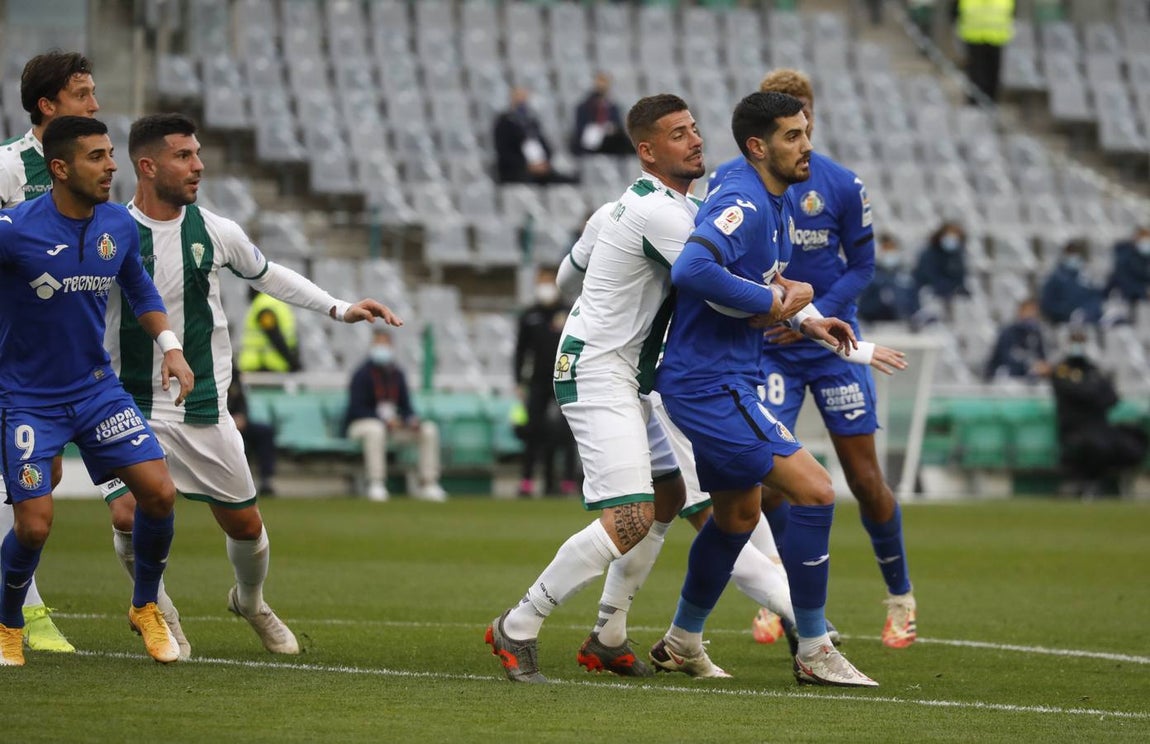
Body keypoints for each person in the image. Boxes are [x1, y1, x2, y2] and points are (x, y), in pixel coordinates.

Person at [100, 112, 402, 657]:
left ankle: (250, 600)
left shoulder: (216, 230)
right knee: (130, 510)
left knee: (245, 524)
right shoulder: (109, 232)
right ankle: (156, 608)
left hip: (204, 408)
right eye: (184, 156)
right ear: (147, 166)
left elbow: (270, 275)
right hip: (130, 404)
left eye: (198, 154)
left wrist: (339, 307)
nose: (199, 166)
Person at [652, 91, 878, 687]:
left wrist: (803, 315)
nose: (807, 146)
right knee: (816, 492)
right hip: (710, 383)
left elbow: (765, 280)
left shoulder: (771, 200)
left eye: (806, 133)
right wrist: (774, 302)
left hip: (726, 376)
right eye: (792, 136)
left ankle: (681, 639)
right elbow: (692, 271)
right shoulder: (746, 200)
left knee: (735, 515)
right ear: (759, 146)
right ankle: (813, 646)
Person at [485, 94, 705, 683]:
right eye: (679, 133)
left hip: (620, 367)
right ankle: (519, 623)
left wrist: (591, 304)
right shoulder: (663, 214)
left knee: (669, 496)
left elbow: (565, 277)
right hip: (600, 369)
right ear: (647, 151)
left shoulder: (627, 210)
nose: (695, 139)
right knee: (631, 516)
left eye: (694, 128)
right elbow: (715, 289)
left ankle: (608, 634)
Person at [706, 69, 916, 651]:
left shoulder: (842, 184)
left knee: (865, 479)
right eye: (786, 118)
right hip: (770, 348)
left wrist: (816, 313)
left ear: (812, 115)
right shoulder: (733, 182)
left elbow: (863, 265)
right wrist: (778, 314)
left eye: (803, 114)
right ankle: (779, 597)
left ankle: (901, 598)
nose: (799, 130)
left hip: (830, 344)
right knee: (767, 478)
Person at [0, 115, 194, 666]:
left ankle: (144, 608)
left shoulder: (117, 225)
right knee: (34, 526)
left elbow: (139, 288)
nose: (112, 166)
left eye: (111, 154)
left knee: (158, 493)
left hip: (95, 391)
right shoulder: (13, 229)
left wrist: (172, 348)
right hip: (27, 399)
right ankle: (8, 621)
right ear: (59, 168)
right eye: (96, 157)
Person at [0, 51, 105, 653]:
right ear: (48, 105)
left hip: (62, 359)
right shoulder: (11, 169)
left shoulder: (92, 171)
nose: (94, 104)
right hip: (12, 355)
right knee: (21, 486)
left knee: (41, 477)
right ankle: (28, 615)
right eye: (83, 94)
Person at [345, 329, 445, 503]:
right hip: (361, 427)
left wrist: (410, 420)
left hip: (392, 428)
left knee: (428, 430)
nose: (382, 348)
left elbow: (406, 406)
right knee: (375, 430)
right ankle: (376, 483)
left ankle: (429, 483)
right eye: (378, 343)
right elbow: (356, 409)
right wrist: (383, 420)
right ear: (372, 346)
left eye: (385, 344)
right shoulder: (361, 374)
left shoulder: (397, 374)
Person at [1051, 328, 1148, 497]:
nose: (1078, 346)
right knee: (1096, 445)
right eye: (1075, 341)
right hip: (1076, 428)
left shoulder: (1092, 369)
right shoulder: (1062, 370)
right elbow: (1079, 393)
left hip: (1099, 425)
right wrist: (1094, 393)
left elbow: (1112, 397)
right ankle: (1087, 482)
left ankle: (1103, 482)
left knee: (1134, 440)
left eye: (1081, 341)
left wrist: (1090, 393)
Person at [514, 265, 576, 497]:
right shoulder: (530, 315)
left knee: (566, 431)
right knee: (533, 430)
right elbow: (521, 351)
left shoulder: (569, 313)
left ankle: (567, 481)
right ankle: (527, 480)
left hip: (565, 379)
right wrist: (518, 380)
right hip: (538, 381)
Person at [493, 87, 577, 185]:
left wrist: (544, 163)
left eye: (524, 97)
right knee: (530, 183)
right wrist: (527, 166)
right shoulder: (504, 122)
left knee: (570, 180)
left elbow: (545, 146)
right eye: (519, 97)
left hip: (540, 168)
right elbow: (504, 152)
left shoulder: (532, 121)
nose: (522, 101)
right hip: (517, 170)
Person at [228, 368, 278, 496]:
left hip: (237, 423)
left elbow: (241, 400)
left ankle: (266, 480)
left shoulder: (233, 374)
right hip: (217, 422)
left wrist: (242, 415)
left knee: (264, 432)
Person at [954, 0, 1015, 103]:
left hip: (987, 36)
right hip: (979, 36)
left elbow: (954, 13)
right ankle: (980, 101)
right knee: (980, 72)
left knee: (985, 72)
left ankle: (984, 101)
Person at [858, 233, 921, 324]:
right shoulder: (869, 274)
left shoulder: (906, 274)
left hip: (902, 323)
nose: (890, 252)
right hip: (876, 323)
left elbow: (914, 300)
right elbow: (863, 304)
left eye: (892, 248)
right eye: (886, 248)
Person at [1039, 239, 1104, 326]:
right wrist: (1069, 313)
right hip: (1064, 323)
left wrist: (1086, 312)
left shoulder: (1086, 277)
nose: (1074, 257)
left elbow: (1095, 298)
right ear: (1064, 255)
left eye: (1076, 253)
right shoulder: (1055, 278)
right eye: (1070, 253)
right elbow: (1047, 305)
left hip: (1088, 320)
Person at [984, 297, 1050, 382]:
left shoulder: (1036, 333)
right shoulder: (1007, 332)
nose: (1032, 315)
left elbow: (1041, 357)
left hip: (1027, 379)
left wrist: (1043, 367)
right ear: (1020, 312)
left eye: (1034, 312)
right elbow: (1007, 359)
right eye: (1029, 311)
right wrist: (1031, 365)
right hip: (1004, 377)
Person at [913, 220, 970, 316]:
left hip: (951, 295)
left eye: (955, 235)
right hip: (928, 294)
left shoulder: (958, 255)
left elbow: (960, 277)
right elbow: (930, 277)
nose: (952, 238)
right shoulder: (929, 254)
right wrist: (949, 288)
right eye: (949, 235)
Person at [570, 72, 632, 157]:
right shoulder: (584, 107)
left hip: (609, 140)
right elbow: (580, 129)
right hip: (590, 141)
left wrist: (611, 128)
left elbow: (617, 125)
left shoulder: (613, 107)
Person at [238, 288, 301, 372]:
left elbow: (274, 335)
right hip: (263, 366)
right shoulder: (271, 303)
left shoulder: (264, 304)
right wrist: (293, 362)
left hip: (262, 367)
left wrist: (292, 362)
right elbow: (275, 335)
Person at [1105, 226, 1150, 319]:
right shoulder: (1124, 258)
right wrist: (1144, 292)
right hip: (1127, 301)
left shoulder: (1144, 257)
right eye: (1145, 239)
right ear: (1136, 238)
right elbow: (1123, 281)